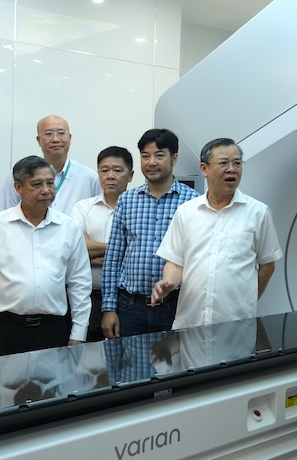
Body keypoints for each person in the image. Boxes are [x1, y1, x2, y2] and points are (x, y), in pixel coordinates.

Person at [0, 156, 92, 359]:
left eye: (50, 183)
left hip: (53, 330)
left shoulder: (69, 228)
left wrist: (79, 333)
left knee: (53, 391)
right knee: (7, 389)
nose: (46, 190)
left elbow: (79, 284)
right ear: (18, 187)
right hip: (6, 329)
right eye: (37, 184)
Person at [151, 138, 282, 327]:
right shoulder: (186, 212)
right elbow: (175, 262)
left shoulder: (258, 212)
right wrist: (168, 282)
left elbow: (267, 266)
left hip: (236, 323)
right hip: (191, 321)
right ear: (204, 169)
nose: (232, 169)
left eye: (237, 163)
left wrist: (246, 301)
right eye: (223, 163)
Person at [100, 129, 198, 338]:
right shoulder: (127, 200)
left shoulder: (193, 202)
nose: (151, 162)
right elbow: (113, 257)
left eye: (159, 155)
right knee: (129, 369)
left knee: (172, 368)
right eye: (145, 156)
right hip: (129, 307)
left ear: (174, 158)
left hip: (174, 306)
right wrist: (108, 308)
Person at [70, 146, 134, 343]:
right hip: (89, 298)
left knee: (125, 358)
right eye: (104, 170)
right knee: (87, 362)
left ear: (130, 175)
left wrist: (94, 255)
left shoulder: (139, 208)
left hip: (127, 300)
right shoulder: (83, 207)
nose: (110, 176)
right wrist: (122, 250)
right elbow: (75, 248)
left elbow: (146, 254)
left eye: (117, 170)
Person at [0, 115, 100, 213]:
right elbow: (3, 214)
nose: (55, 139)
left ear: (70, 138)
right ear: (38, 140)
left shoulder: (89, 178)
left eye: (61, 133)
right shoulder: (20, 174)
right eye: (48, 134)